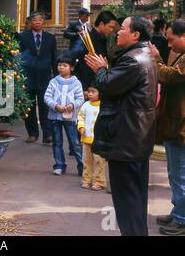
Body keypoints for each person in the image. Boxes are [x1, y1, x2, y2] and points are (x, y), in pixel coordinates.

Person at [85, 16, 157, 236]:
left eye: (122, 28)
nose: (117, 31)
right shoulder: (143, 55)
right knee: (134, 200)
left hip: (126, 138)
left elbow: (108, 85)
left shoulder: (133, 60)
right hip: (135, 137)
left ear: (135, 35)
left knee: (127, 203)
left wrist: (100, 69)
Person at [150, 18, 185, 236]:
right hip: (175, 124)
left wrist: (156, 59)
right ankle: (178, 211)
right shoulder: (180, 55)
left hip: (181, 127)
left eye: (172, 40)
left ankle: (182, 220)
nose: (170, 45)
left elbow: (171, 77)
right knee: (175, 173)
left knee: (180, 174)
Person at [19, 11, 57, 144]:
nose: (37, 22)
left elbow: (54, 58)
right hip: (27, 77)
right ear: (30, 22)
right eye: (34, 20)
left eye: (39, 20)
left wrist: (57, 77)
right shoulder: (23, 37)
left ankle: (47, 134)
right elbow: (18, 57)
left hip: (44, 77)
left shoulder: (50, 38)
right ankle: (32, 133)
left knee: (45, 106)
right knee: (28, 107)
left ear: (43, 22)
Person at [44, 54, 84, 175]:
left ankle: (82, 166)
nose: (61, 67)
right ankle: (59, 165)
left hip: (70, 118)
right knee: (57, 141)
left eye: (64, 65)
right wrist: (55, 106)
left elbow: (80, 98)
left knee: (75, 143)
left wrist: (72, 105)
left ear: (71, 68)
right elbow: (47, 97)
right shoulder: (53, 82)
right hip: (55, 117)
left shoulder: (76, 83)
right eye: (59, 65)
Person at [70, 11, 117, 93]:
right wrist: (82, 87)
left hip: (97, 82)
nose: (111, 30)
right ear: (101, 24)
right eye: (110, 27)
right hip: (87, 85)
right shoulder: (87, 39)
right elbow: (75, 61)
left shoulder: (102, 39)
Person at [77, 83, 106, 190]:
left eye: (93, 92)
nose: (90, 94)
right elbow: (81, 117)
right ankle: (86, 179)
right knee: (86, 161)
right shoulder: (85, 105)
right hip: (86, 138)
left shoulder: (103, 105)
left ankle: (99, 181)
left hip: (99, 139)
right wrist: (81, 127)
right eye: (89, 91)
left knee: (99, 161)